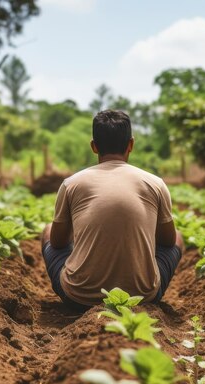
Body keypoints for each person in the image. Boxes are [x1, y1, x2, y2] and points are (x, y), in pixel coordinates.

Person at [41, 109, 184, 309]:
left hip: (78, 297)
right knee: (177, 236)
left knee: (48, 230)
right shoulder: (155, 183)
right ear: (131, 144)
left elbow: (57, 243)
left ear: (94, 146)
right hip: (142, 297)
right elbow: (167, 242)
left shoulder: (71, 184)